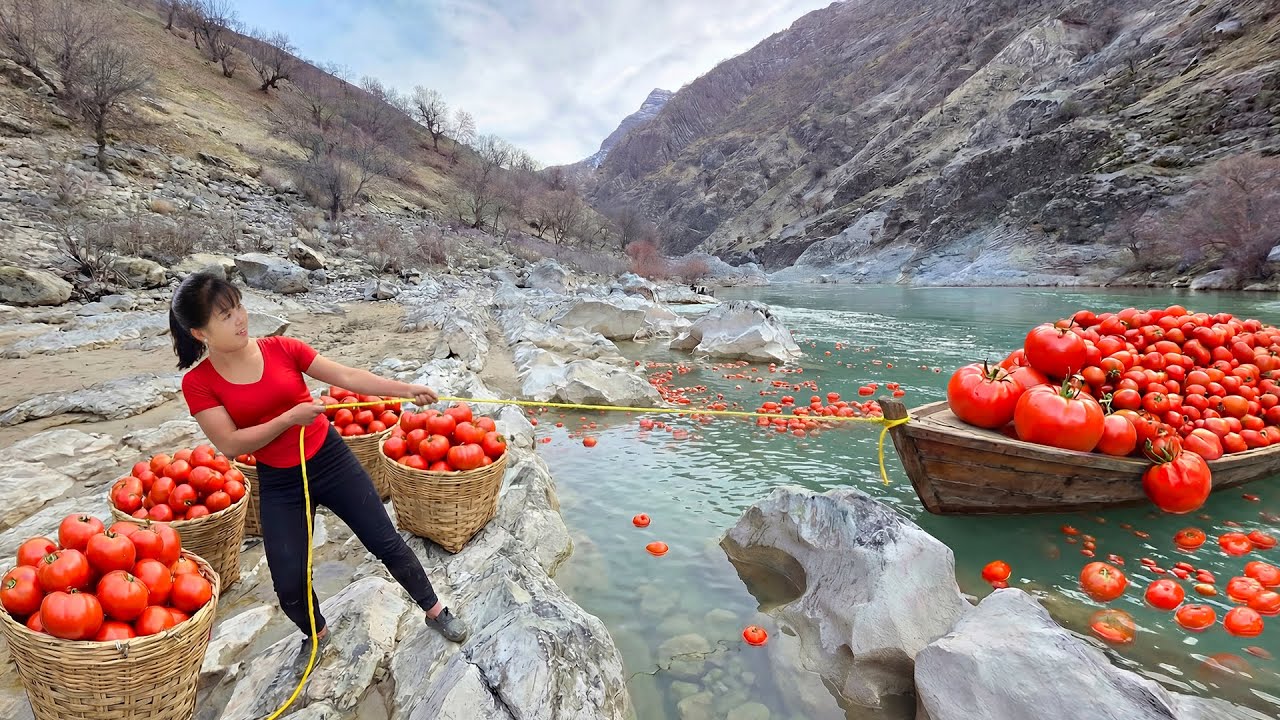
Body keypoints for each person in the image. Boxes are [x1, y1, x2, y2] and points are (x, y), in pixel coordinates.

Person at [168, 271, 468, 667]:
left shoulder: (282, 348)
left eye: (238, 305)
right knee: (288, 580)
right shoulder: (198, 383)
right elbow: (229, 443)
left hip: (330, 458)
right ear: (199, 333)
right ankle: (318, 634)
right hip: (280, 481)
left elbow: (345, 376)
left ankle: (434, 611)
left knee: (385, 541)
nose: (240, 318)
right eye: (225, 315)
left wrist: (404, 388)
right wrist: (290, 418)